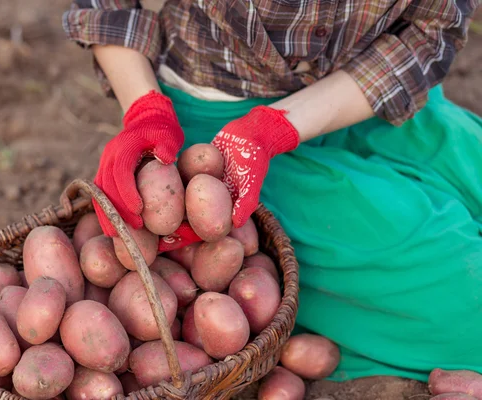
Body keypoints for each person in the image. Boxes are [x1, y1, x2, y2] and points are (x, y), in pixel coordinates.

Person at [62, 0, 482, 395]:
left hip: (365, 97)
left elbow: (431, 27)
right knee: (470, 309)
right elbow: (106, 7)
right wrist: (144, 110)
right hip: (220, 122)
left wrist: (278, 128)